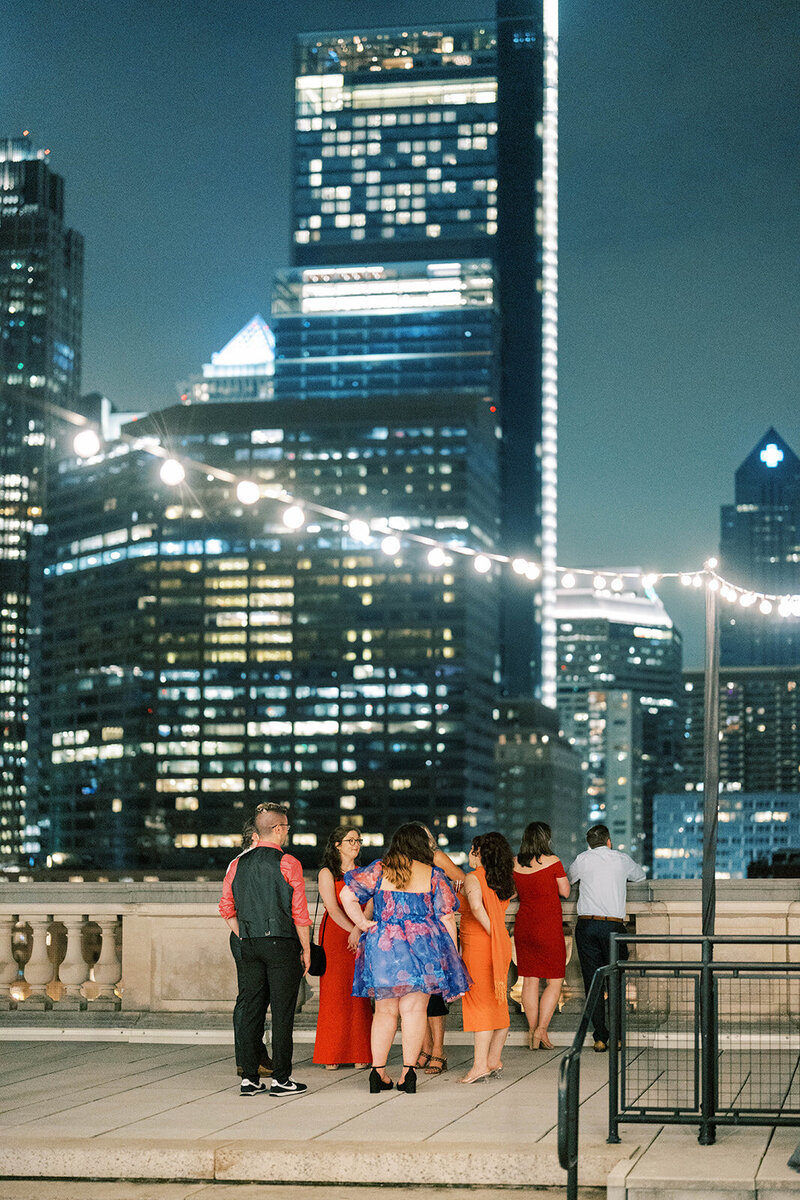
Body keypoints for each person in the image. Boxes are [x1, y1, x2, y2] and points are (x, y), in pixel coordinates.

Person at [340, 821, 472, 1095]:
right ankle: (408, 1074)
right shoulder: (433, 874)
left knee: (385, 1012)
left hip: (384, 946)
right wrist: (452, 954)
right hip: (422, 949)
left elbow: (346, 894)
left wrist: (364, 925)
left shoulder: (379, 869)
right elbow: (447, 916)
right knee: (414, 1012)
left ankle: (377, 1074)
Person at [219, 802, 311, 1096]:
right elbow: (300, 913)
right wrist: (306, 949)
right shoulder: (288, 863)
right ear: (277, 829)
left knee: (251, 1010)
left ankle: (249, 1078)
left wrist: (245, 933)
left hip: (247, 943)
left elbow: (226, 908)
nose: (287, 832)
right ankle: (281, 1079)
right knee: (282, 1013)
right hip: (281, 943)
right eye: (285, 827)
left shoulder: (237, 863)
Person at [567, 823, 646, 1052]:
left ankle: (600, 1038)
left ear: (589, 844)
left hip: (588, 924)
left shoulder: (583, 859)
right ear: (609, 841)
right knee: (616, 982)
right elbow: (640, 877)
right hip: (613, 927)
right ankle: (619, 1038)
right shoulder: (621, 859)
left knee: (593, 983)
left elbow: (570, 880)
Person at [312, 826, 373, 1070]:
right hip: (335, 934)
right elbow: (332, 907)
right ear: (337, 844)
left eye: (358, 839)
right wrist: (352, 929)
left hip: (360, 932)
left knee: (359, 994)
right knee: (334, 993)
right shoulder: (327, 872)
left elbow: (371, 904)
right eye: (350, 840)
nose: (356, 844)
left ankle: (361, 1052)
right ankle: (331, 1053)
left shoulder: (363, 872)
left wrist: (359, 929)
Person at [459, 832, 515, 1083]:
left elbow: (478, 909)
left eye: (473, 849)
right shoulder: (503, 881)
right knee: (498, 999)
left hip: (481, 945)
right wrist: (501, 938)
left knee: (479, 1003)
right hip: (501, 943)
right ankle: (493, 1059)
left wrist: (494, 935)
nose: (471, 854)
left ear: (480, 852)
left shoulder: (473, 878)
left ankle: (480, 1065)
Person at [513, 821, 570, 1049]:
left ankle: (531, 1031)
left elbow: (515, 893)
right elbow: (565, 891)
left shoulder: (516, 863)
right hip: (548, 926)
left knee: (529, 980)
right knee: (555, 980)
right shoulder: (554, 861)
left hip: (524, 925)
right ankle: (542, 1031)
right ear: (546, 838)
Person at [416, 830, 466, 1077]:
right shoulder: (407, 862)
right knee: (417, 993)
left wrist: (448, 893)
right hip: (414, 935)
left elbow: (463, 880)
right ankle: (424, 1048)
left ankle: (438, 1051)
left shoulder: (435, 857)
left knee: (435, 994)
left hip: (438, 931)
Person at [228, 816, 273, 1078]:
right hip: (248, 935)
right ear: (255, 837)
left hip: (250, 935)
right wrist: (244, 934)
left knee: (253, 998)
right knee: (249, 999)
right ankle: (249, 1058)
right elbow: (228, 906)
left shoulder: (247, 863)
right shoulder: (242, 864)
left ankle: (252, 1056)